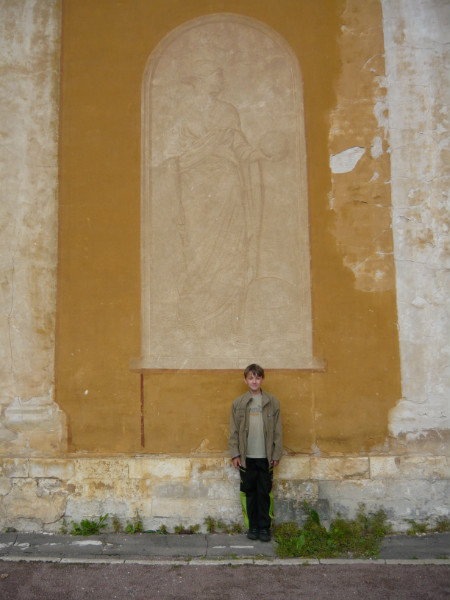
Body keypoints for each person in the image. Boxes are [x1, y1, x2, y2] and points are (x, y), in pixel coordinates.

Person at [229, 364, 282, 542]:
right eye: (251, 378)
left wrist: (276, 454)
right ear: (245, 380)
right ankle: (252, 527)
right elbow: (234, 431)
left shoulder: (272, 402)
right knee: (250, 493)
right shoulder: (238, 403)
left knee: (264, 493)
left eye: (257, 378)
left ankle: (265, 528)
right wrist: (235, 454)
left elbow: (278, 431)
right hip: (246, 458)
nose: (254, 381)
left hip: (266, 457)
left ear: (262, 379)